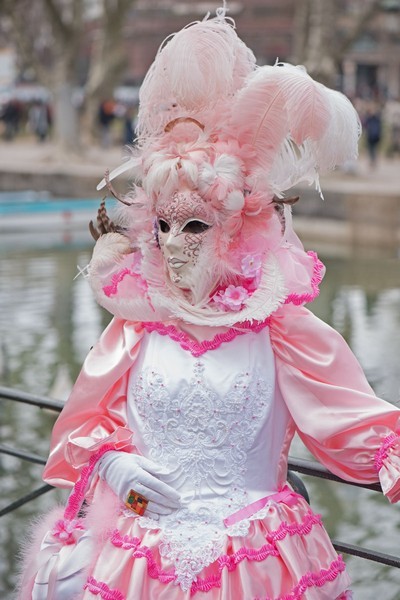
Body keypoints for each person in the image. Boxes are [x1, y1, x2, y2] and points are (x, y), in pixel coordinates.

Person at [18, 8, 400, 600]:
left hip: (258, 562)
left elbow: (356, 422)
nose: (173, 244)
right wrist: (110, 463)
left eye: (193, 225)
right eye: (162, 227)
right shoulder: (136, 325)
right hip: (136, 560)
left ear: (233, 228)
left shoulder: (280, 326)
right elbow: (87, 425)